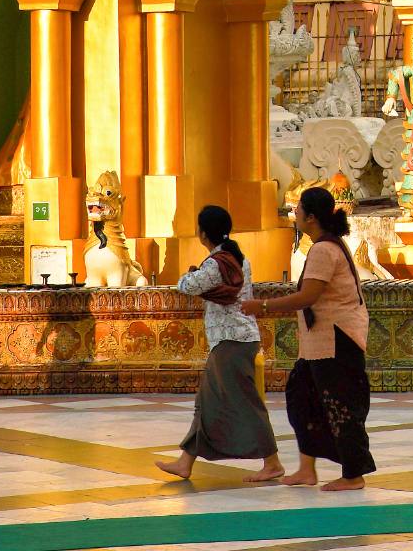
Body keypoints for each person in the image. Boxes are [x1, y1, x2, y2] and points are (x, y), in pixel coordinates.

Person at [239, 186, 374, 492]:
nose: (294, 214)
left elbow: (308, 295)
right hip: (320, 343)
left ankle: (354, 474)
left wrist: (262, 307)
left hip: (337, 341)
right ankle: (306, 469)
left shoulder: (324, 250)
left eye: (298, 210)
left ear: (311, 217)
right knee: (302, 400)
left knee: (341, 408)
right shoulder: (324, 246)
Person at [159, 205, 282, 483]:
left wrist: (190, 275)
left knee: (247, 403)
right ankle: (185, 462)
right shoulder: (239, 258)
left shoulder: (215, 264)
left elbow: (186, 285)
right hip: (237, 340)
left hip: (232, 342)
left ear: (203, 234)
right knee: (206, 402)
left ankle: (272, 462)